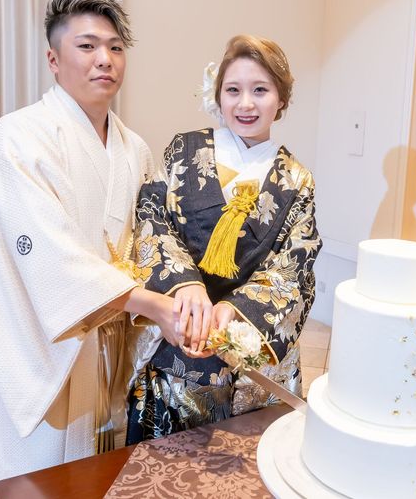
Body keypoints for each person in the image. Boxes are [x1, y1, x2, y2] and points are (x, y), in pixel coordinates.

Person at [0, 0, 179, 492]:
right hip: (47, 346)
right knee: (34, 478)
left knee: (98, 474)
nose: (105, 59)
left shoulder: (135, 149)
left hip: (110, 349)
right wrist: (150, 303)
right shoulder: (18, 138)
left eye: (116, 47)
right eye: (87, 46)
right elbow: (48, 258)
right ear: (53, 60)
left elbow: (154, 239)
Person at [126, 35, 322, 444]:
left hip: (246, 341)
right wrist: (186, 285)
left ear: (281, 99)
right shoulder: (184, 151)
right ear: (218, 96)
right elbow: (152, 218)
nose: (245, 104)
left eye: (260, 90)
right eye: (233, 90)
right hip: (181, 330)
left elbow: (294, 267)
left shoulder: (296, 180)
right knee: (167, 463)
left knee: (245, 461)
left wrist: (234, 311)